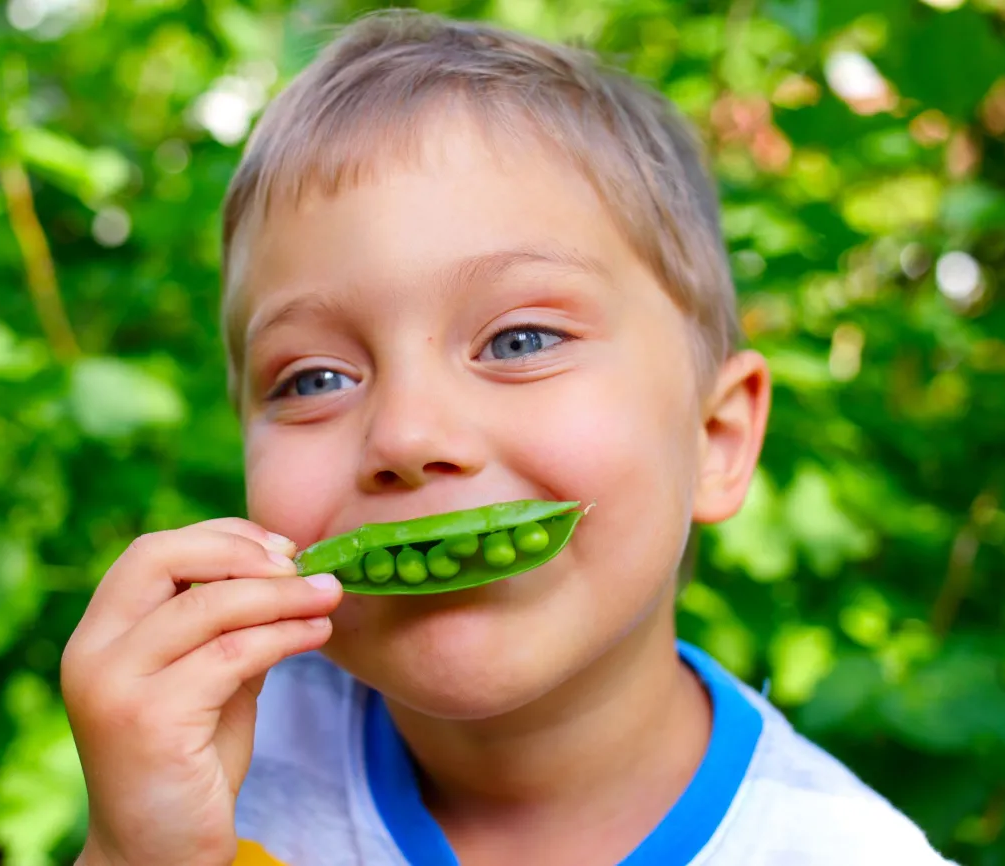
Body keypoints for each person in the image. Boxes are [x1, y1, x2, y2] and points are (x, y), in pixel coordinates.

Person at [59, 10, 956, 866]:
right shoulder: (209, 769)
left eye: (521, 340)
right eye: (315, 379)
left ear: (716, 439)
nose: (407, 435)